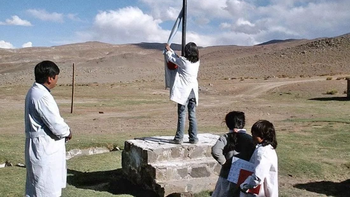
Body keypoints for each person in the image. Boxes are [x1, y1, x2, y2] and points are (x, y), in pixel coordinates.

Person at [24, 60, 72, 197]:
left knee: (38, 186)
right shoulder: (42, 96)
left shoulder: (34, 92)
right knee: (45, 189)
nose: (57, 80)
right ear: (50, 78)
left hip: (40, 146)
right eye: (56, 77)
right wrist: (68, 132)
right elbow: (56, 124)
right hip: (45, 148)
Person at [211, 111, 255, 197]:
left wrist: (224, 162)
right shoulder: (249, 139)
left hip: (227, 174)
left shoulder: (225, 137)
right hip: (244, 174)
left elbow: (215, 150)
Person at [164, 42, 200, 144]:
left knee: (182, 114)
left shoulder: (183, 61)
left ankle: (179, 138)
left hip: (185, 92)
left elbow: (173, 59)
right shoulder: (197, 61)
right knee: (192, 115)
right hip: (193, 91)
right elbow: (178, 58)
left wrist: (168, 51)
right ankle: (193, 138)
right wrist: (171, 51)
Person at [240, 120, 278, 197]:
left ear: (263, 136)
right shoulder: (268, 149)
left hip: (259, 191)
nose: (252, 137)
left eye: (254, 134)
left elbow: (258, 176)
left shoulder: (263, 152)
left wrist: (244, 185)